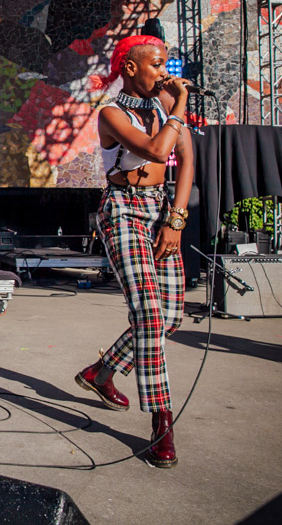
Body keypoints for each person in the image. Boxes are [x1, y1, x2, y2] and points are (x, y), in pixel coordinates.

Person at [74, 34, 193, 469]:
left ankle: (101, 372)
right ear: (130, 67)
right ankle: (162, 422)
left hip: (161, 211)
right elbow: (157, 149)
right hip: (122, 210)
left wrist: (176, 220)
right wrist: (179, 105)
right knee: (148, 315)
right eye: (157, 64)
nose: (165, 72)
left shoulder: (164, 106)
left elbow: (186, 160)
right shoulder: (110, 113)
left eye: (166, 64)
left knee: (170, 319)